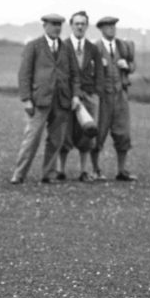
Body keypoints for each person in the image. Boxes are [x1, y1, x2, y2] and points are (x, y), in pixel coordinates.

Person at [10, 13, 80, 184]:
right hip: (39, 101)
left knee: (56, 140)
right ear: (44, 26)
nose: (57, 27)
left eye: (59, 24)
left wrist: (75, 95)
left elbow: (75, 75)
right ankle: (19, 175)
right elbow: (24, 74)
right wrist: (26, 98)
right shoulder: (34, 46)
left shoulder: (66, 48)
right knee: (31, 139)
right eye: (53, 24)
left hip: (62, 101)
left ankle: (48, 174)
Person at [53, 10, 104, 182]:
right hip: (67, 97)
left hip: (88, 97)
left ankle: (84, 171)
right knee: (65, 133)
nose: (80, 27)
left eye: (83, 24)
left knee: (87, 134)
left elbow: (99, 73)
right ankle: (61, 170)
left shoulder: (93, 49)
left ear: (87, 26)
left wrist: (95, 93)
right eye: (77, 23)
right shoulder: (63, 46)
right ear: (71, 25)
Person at [94, 16, 137, 181]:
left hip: (120, 95)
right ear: (101, 29)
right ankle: (95, 169)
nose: (112, 29)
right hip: (103, 97)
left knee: (123, 133)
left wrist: (127, 66)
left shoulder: (124, 46)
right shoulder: (95, 47)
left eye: (113, 26)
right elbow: (87, 68)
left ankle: (122, 170)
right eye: (108, 26)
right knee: (98, 133)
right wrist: (99, 65)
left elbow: (133, 65)